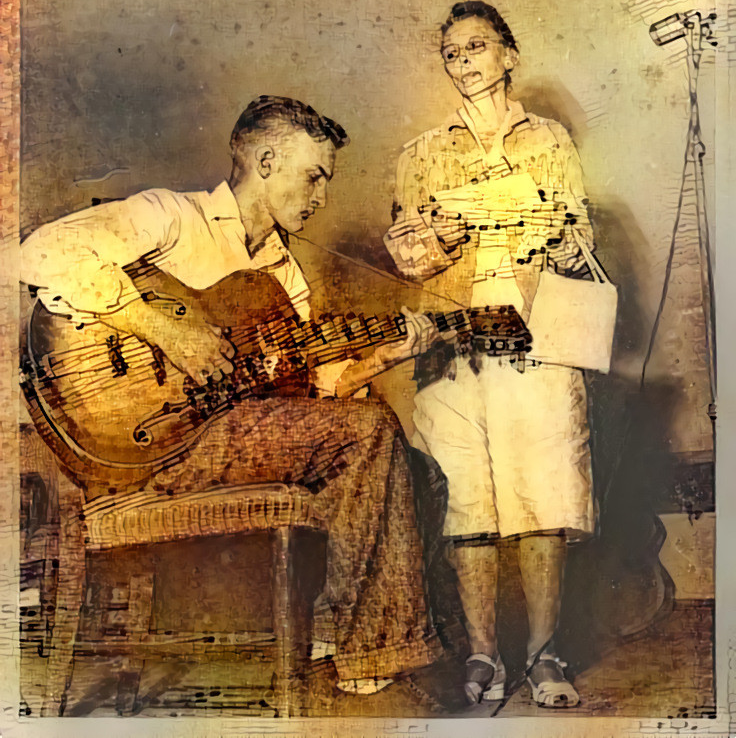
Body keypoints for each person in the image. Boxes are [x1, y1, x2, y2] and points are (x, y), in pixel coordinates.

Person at [20, 95, 445, 695]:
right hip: (138, 440)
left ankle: (348, 633)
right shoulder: (170, 216)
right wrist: (165, 328)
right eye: (314, 176)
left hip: (220, 441)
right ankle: (373, 649)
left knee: (396, 446)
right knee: (371, 432)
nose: (322, 196)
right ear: (267, 160)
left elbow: (309, 404)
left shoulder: (284, 273)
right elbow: (35, 252)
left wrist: (381, 358)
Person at [384, 1, 596, 708]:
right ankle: (481, 654)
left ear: (509, 54)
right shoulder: (420, 154)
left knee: (542, 498)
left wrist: (564, 239)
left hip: (539, 339)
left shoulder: (551, 140)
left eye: (478, 45)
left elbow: (581, 238)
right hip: (455, 343)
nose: (465, 59)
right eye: (451, 51)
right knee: (467, 498)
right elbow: (406, 259)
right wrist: (438, 236)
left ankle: (543, 655)